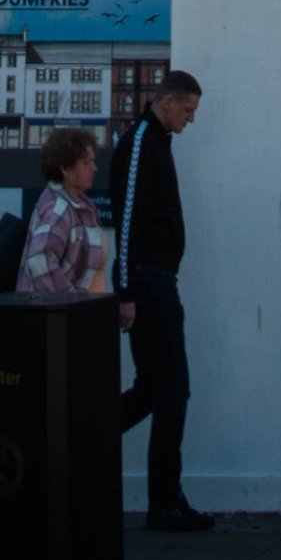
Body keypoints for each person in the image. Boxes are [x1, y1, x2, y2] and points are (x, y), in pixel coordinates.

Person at [108, 67, 214, 533]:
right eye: (188, 110)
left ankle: (85, 434)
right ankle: (164, 501)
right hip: (149, 284)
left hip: (157, 280)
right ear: (167, 101)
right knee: (172, 388)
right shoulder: (140, 144)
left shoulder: (155, 143)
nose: (190, 120)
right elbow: (126, 221)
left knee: (157, 388)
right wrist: (126, 292)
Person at [17, 130, 113, 301]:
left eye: (93, 161)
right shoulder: (58, 209)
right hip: (62, 322)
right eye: (86, 163)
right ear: (66, 169)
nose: (94, 168)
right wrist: (71, 302)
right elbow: (39, 261)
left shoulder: (76, 206)